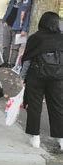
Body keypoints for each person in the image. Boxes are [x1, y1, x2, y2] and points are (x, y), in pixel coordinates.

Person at [20, 12, 63, 150]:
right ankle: (60, 138)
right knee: (57, 107)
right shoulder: (61, 38)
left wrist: (22, 77)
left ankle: (35, 137)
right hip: (57, 77)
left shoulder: (35, 38)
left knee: (34, 106)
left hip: (36, 76)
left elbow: (27, 59)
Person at [0, 0, 32, 68]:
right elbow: (8, 9)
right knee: (6, 45)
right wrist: (4, 20)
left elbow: (28, 16)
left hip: (19, 28)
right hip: (8, 25)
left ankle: (12, 64)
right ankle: (5, 62)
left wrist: (25, 30)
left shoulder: (28, 1)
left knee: (15, 48)